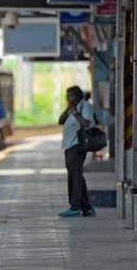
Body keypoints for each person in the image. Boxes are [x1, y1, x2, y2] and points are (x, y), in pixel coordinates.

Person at [57, 85, 96, 217]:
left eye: (68, 97)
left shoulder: (86, 106)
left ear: (74, 97)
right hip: (69, 145)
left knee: (75, 175)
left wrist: (75, 113)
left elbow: (86, 123)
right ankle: (87, 208)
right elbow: (60, 121)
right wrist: (69, 109)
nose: (66, 99)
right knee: (76, 175)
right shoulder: (73, 108)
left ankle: (75, 206)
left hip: (77, 145)